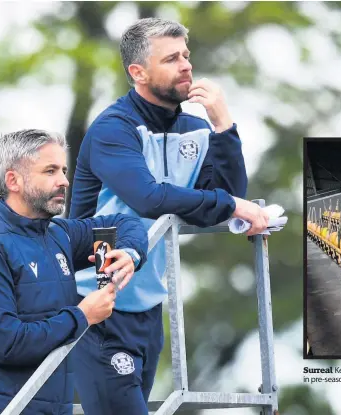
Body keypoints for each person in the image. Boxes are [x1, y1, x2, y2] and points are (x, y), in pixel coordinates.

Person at [67, 18, 270, 415]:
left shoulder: (195, 128)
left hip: (147, 306)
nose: (186, 66)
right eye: (172, 58)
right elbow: (147, 197)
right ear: (138, 73)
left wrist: (223, 125)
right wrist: (231, 206)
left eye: (187, 56)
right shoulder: (113, 128)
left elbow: (229, 193)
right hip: (93, 302)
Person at [0, 130, 148, 415]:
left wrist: (129, 253)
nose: (64, 180)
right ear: (13, 180)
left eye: (63, 170)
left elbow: (124, 224)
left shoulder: (58, 233)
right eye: (50, 171)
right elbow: (8, 343)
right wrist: (83, 316)